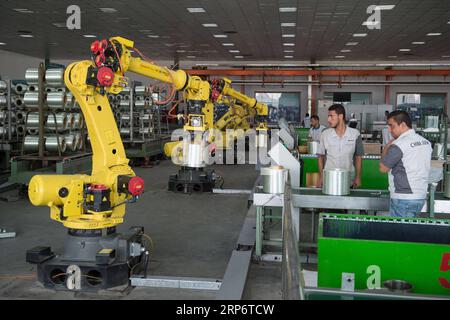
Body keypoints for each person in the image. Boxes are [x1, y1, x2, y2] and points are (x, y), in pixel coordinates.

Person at [379, 110, 432, 218]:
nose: (389, 130)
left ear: (402, 125)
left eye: (391, 126)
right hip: (420, 195)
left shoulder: (398, 145)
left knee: (399, 233)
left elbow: (383, 168)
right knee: (408, 230)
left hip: (403, 197)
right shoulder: (425, 142)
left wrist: (386, 147)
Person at [318, 104, 364, 188]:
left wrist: (358, 177)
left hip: (348, 179)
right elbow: (321, 157)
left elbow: (358, 157)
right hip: (329, 178)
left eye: (331, 116)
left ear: (340, 116)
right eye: (328, 116)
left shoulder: (355, 134)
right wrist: (321, 176)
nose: (328, 119)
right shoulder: (325, 134)